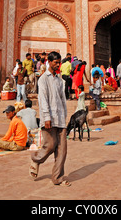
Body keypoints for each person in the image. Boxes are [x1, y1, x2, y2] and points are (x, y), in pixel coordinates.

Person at [29, 51, 71, 187]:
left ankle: (57, 177)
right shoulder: (43, 79)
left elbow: (62, 99)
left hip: (60, 118)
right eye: (56, 62)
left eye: (59, 62)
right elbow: (43, 99)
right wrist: (46, 117)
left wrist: (65, 115)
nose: (58, 64)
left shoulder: (59, 80)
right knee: (50, 145)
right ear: (49, 62)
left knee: (62, 150)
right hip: (49, 118)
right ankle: (36, 160)